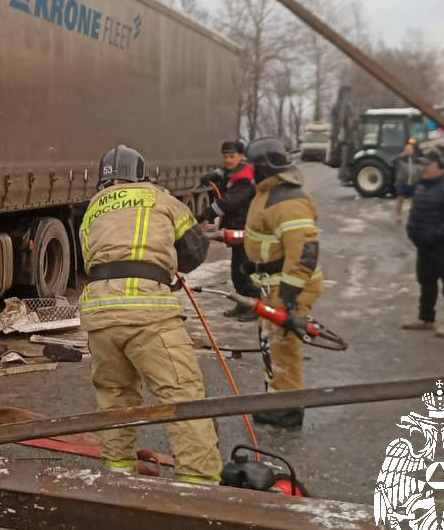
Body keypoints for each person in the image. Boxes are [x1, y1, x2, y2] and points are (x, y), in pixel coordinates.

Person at [78, 144, 221, 483]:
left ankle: (118, 477)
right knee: (182, 397)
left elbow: (91, 262)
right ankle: (200, 486)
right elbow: (195, 250)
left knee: (115, 399)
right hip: (148, 312)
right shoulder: (160, 197)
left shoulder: (92, 209)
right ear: (140, 173)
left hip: (100, 314)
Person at [241, 136, 323, 429]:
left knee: (283, 343)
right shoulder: (268, 193)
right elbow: (267, 234)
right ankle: (276, 398)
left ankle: (288, 408)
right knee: (271, 343)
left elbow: (304, 251)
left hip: (287, 284)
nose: (249, 171)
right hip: (272, 281)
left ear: (265, 167)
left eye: (252, 166)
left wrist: (287, 298)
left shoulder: (287, 199)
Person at [401, 150, 444, 338]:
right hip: (424, 245)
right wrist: (412, 231)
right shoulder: (422, 185)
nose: (423, 168)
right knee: (426, 281)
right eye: (422, 164)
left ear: (439, 165)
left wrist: (436, 235)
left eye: (427, 164)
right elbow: (414, 212)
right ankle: (425, 317)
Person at [202, 140, 260, 320]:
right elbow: (224, 173)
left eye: (232, 156)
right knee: (237, 271)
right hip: (237, 228)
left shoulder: (245, 177)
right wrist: (212, 175)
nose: (228, 160)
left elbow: (228, 202)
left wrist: (205, 214)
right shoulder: (233, 170)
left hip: (246, 229)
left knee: (243, 270)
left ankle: (255, 307)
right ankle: (243, 303)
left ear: (241, 156)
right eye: (225, 156)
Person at [392, 138, 420, 224]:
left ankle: (413, 216)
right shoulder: (401, 159)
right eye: (407, 149)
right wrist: (402, 154)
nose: (409, 150)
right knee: (400, 199)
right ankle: (398, 215)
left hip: (412, 182)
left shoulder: (415, 159)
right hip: (401, 182)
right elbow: (392, 160)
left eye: (410, 149)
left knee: (414, 201)